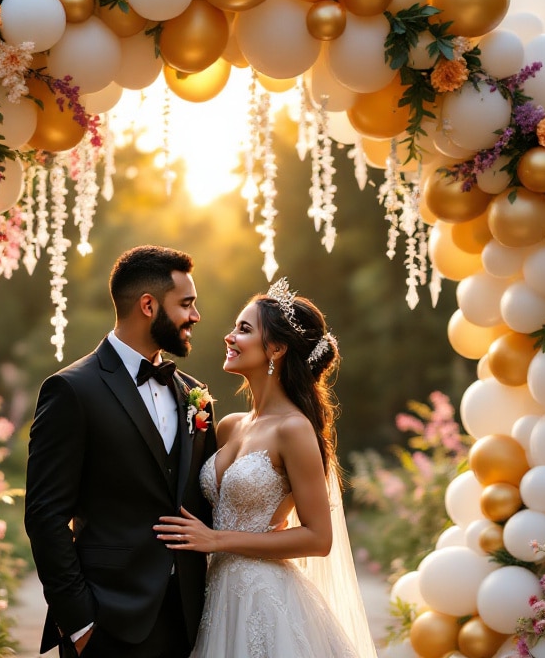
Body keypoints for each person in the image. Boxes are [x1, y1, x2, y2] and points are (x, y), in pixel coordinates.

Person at [154, 277, 375, 658]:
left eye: (243, 329)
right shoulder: (228, 426)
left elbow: (318, 539)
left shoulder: (294, 430)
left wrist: (217, 540)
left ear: (276, 348)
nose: (229, 336)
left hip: (266, 600)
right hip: (217, 595)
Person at [25, 245, 218, 658]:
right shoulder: (72, 390)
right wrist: (79, 622)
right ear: (148, 305)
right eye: (186, 304)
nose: (196, 316)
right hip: (108, 621)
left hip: (190, 620)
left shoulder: (193, 393)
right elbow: (45, 516)